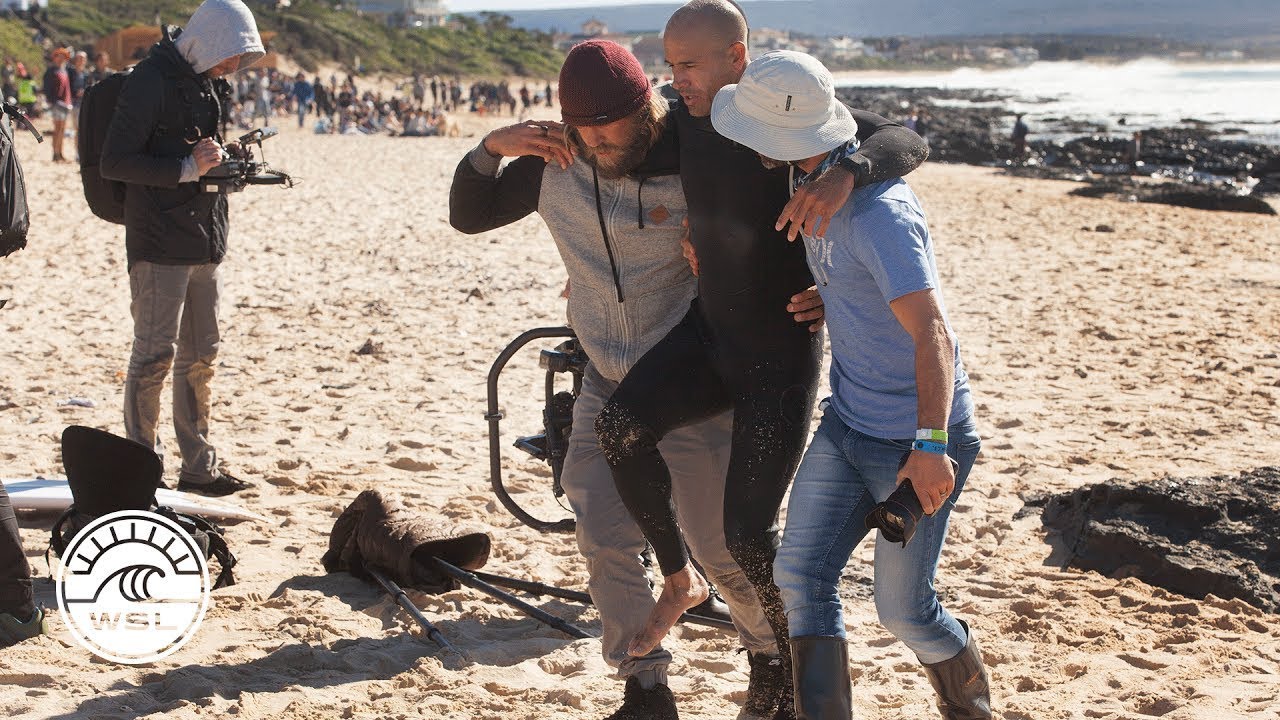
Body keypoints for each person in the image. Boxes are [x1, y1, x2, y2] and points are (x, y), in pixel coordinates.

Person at [450, 41, 820, 720]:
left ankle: (776, 663)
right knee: (597, 517)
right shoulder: (555, 163)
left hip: (689, 378)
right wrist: (491, 146)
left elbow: (781, 215)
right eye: (583, 129)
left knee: (718, 544)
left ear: (645, 106)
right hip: (606, 379)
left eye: (610, 127)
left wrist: (815, 285)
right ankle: (644, 680)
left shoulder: (696, 153)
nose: (596, 142)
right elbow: (469, 214)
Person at [593, 0, 928, 715]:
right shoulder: (686, 118)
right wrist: (522, 144)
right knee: (619, 427)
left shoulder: (786, 114)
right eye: (668, 62)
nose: (673, 77)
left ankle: (779, 673)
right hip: (708, 333)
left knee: (747, 532)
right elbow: (615, 150)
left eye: (687, 63)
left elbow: (905, 140)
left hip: (779, 353)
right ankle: (678, 577)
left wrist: (848, 173)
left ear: (737, 58)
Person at [710, 50, 990, 719]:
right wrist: (835, 296)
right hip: (848, 423)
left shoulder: (878, 215)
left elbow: (934, 336)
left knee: (904, 612)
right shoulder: (812, 181)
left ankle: (971, 704)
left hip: (916, 441)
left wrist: (930, 444)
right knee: (800, 576)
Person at [100, 0, 264, 497]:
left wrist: (227, 161)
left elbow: (197, 146)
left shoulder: (207, 79)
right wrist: (187, 168)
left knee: (202, 357)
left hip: (205, 236)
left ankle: (198, 468)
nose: (235, 65)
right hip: (157, 242)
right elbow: (115, 161)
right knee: (153, 356)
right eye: (233, 53)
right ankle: (141, 471)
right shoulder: (150, 80)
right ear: (209, 40)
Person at [42, 46, 72, 162]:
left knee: (63, 129)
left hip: (65, 103)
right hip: (56, 103)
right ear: (54, 57)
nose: (61, 59)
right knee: (57, 128)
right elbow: (47, 87)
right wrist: (51, 101)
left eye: (63, 57)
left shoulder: (64, 70)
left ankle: (60, 152)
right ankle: (55, 153)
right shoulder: (51, 71)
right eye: (59, 56)